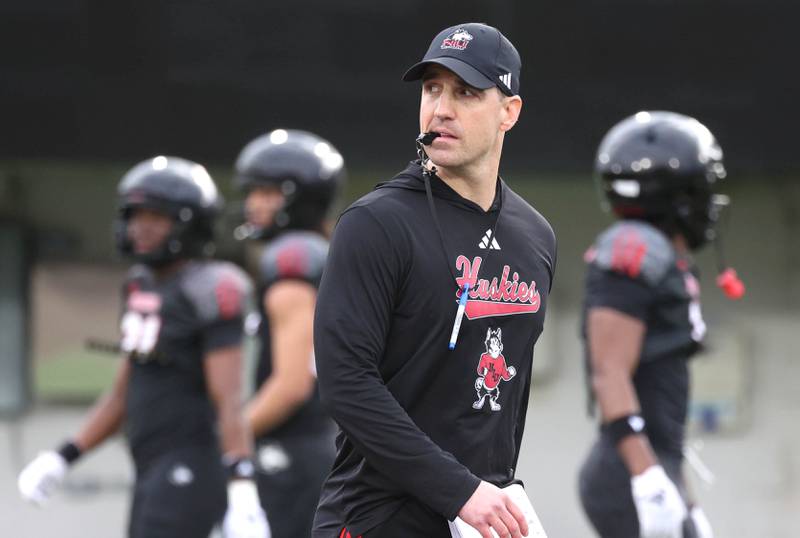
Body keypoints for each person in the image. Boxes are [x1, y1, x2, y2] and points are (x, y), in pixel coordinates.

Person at [312, 23, 557, 538]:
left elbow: (508, 398)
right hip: (377, 519)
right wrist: (461, 490)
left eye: (466, 92)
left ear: (509, 111)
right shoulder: (374, 224)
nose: (441, 108)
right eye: (432, 89)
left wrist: (496, 488)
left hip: (479, 520)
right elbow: (346, 385)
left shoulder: (535, 237)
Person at [17, 156, 270, 538]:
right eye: (136, 215)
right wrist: (62, 455)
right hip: (149, 464)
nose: (141, 227)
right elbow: (125, 390)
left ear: (190, 221)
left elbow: (228, 399)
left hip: (191, 463)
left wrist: (242, 486)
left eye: (156, 216)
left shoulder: (213, 287)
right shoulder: (140, 283)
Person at [578, 111, 744, 538]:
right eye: (702, 185)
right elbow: (609, 370)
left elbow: (664, 419)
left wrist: (684, 498)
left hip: (653, 466)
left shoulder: (662, 257)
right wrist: (648, 480)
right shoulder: (633, 247)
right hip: (628, 475)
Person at [232, 129, 345, 538]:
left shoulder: (291, 258)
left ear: (301, 196)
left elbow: (291, 384)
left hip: (294, 451)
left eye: (267, 192)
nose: (253, 204)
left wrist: (227, 438)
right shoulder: (328, 251)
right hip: (328, 444)